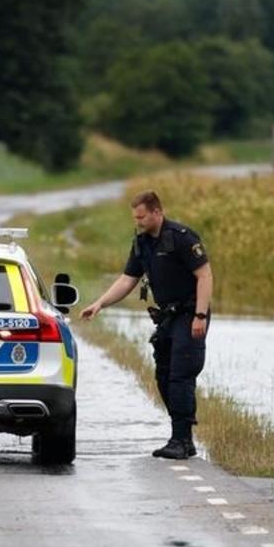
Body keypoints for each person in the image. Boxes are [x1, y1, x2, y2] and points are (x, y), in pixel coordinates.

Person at [77, 189, 213, 459]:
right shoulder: (142, 244)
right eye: (135, 217)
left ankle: (182, 440)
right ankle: (181, 436)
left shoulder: (182, 238)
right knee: (163, 375)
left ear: (157, 212)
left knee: (180, 375)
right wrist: (100, 304)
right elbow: (128, 280)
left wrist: (199, 316)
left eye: (142, 217)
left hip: (189, 313)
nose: (138, 222)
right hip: (168, 317)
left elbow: (205, 276)